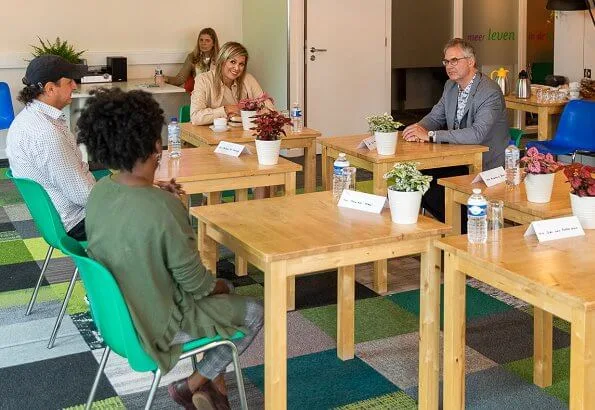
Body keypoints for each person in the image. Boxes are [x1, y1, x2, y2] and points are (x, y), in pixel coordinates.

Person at [77, 88, 263, 410]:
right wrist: (221, 285)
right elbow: (197, 285)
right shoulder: (162, 207)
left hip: (116, 317)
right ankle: (191, 384)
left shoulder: (100, 192)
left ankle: (213, 391)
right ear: (156, 145)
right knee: (252, 310)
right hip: (158, 324)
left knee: (217, 300)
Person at [402, 38, 508, 223]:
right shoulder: (450, 86)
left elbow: (477, 134)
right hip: (458, 158)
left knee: (431, 185)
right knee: (414, 179)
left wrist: (431, 135)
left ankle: (462, 228)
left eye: (454, 60)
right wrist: (418, 128)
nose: (449, 66)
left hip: (484, 163)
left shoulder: (489, 91)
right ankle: (451, 228)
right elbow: (436, 116)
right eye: (446, 61)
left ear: (470, 61)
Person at [6, 55, 94, 241]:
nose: (75, 86)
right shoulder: (47, 134)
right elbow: (85, 197)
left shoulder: (27, 119)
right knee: (153, 215)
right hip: (77, 222)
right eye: (69, 82)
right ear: (50, 88)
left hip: (55, 217)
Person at [190, 41, 275, 125]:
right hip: (211, 134)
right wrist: (227, 109)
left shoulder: (248, 78)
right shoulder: (203, 80)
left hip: (241, 134)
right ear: (222, 61)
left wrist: (262, 111)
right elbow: (196, 117)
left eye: (241, 64)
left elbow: (270, 108)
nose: (237, 68)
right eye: (233, 62)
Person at [165, 27, 220, 93]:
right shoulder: (192, 57)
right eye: (201, 40)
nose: (203, 43)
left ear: (213, 43)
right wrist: (165, 78)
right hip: (199, 94)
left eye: (207, 40)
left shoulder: (221, 58)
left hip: (216, 94)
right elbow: (179, 79)